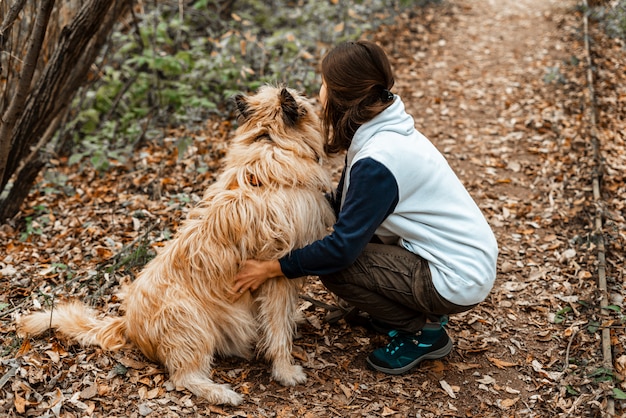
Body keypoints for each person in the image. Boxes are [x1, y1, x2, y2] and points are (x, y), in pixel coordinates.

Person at [233, 40, 498, 375]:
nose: (320, 91)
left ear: (341, 96)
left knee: (336, 269)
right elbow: (344, 205)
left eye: (325, 83)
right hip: (459, 255)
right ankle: (408, 305)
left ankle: (423, 332)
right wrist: (277, 189)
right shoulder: (382, 126)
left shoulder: (378, 159)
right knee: (350, 248)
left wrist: (273, 268)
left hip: (456, 277)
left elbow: (340, 249)